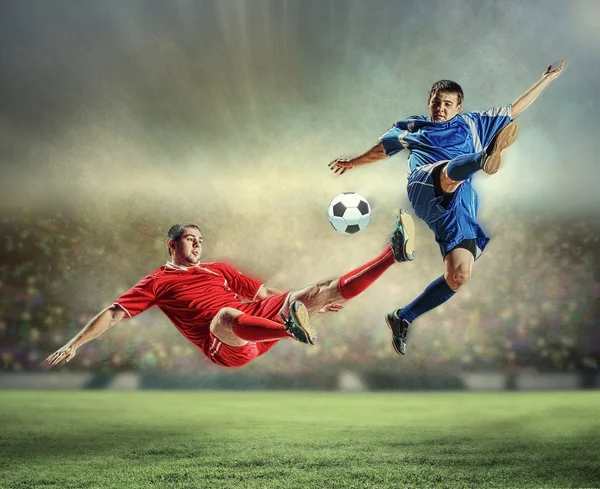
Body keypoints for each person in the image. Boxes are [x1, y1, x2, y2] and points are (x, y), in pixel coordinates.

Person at [329, 61, 565, 356]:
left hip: (460, 205)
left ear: (458, 107)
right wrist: (352, 162)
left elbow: (514, 109)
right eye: (436, 103)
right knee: (448, 173)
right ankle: (483, 159)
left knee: (459, 275)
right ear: (429, 102)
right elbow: (381, 149)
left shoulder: (472, 123)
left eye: (447, 104)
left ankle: (403, 317)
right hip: (426, 183)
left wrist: (546, 79)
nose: (440, 108)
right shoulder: (411, 126)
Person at [44, 212, 416, 369]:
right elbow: (113, 313)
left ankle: (391, 254)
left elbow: (264, 292)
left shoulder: (219, 269)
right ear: (171, 245)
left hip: (256, 321)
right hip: (224, 342)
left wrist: (305, 302)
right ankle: (292, 329)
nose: (197, 245)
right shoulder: (158, 281)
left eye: (200, 240)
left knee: (320, 288)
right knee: (225, 315)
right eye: (190, 239)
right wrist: (75, 344)